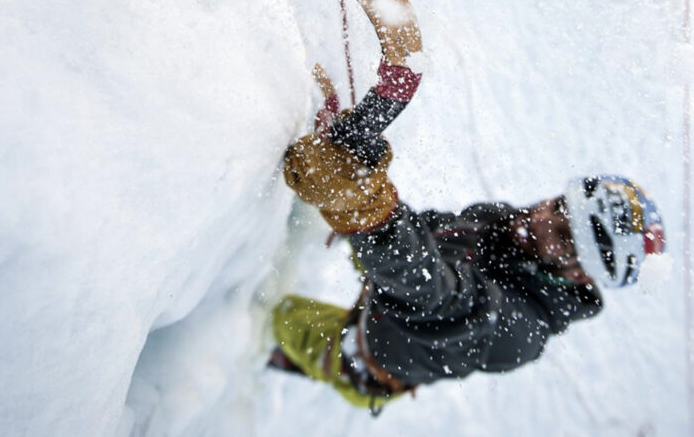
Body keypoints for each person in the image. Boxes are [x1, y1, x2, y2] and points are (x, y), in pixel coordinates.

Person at [269, 70, 665, 412]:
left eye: (563, 236)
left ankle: (255, 351)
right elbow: (431, 233)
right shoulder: (503, 225)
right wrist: (372, 201)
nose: (541, 217)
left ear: (579, 275)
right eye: (558, 205)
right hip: (383, 302)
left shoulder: (522, 333)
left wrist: (368, 214)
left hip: (360, 358)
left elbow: (437, 295)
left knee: (272, 315)